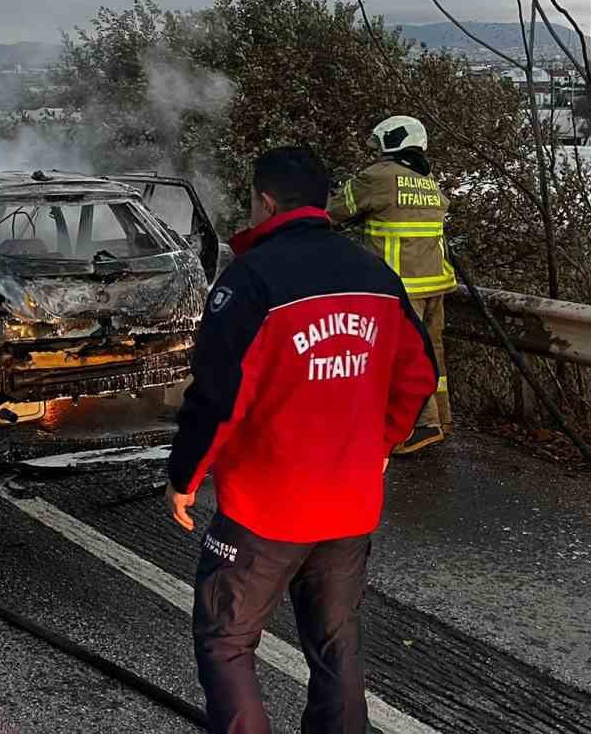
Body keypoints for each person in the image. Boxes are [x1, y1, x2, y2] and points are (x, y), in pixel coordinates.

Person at [166, 145, 436, 734]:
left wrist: (184, 477)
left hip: (265, 511)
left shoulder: (250, 280)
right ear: (323, 199)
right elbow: (419, 375)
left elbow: (218, 396)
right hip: (350, 504)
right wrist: (383, 444)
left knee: (226, 640)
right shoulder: (375, 274)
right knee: (336, 643)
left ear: (264, 200)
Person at [327, 115, 455, 454]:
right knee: (432, 352)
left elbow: (333, 212)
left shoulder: (378, 178)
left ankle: (419, 426)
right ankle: (441, 418)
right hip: (435, 283)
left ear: (391, 142)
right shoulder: (427, 181)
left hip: (400, 287)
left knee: (401, 357)